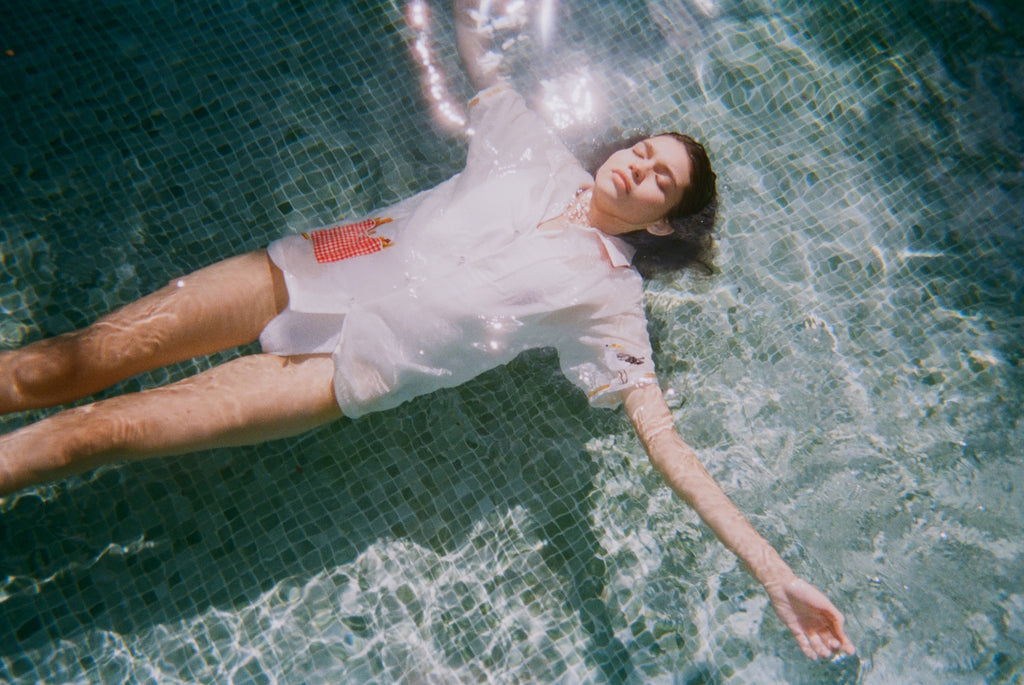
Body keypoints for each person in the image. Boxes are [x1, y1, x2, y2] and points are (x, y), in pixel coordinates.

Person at [0, 0, 855, 661]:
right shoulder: (531, 150)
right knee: (49, 368)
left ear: (663, 222)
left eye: (659, 178)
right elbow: (478, 46)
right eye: (645, 149)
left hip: (339, 369)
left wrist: (773, 572)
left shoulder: (610, 299)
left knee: (94, 434)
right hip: (307, 265)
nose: (638, 163)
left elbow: (666, 442)